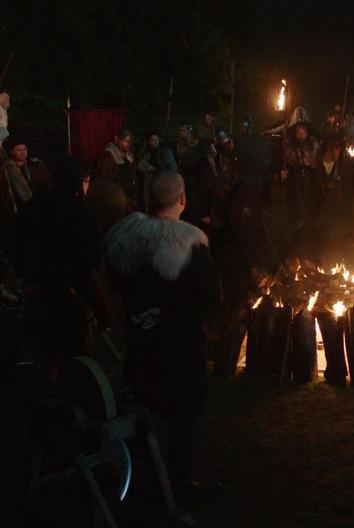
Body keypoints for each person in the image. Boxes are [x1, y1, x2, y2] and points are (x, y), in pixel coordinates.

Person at [103, 171, 222, 500]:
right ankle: (178, 483)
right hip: (179, 346)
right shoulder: (189, 242)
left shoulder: (125, 235)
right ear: (182, 199)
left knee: (140, 407)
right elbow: (213, 294)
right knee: (182, 415)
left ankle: (128, 473)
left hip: (141, 342)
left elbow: (114, 284)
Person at [13, 158, 111, 383]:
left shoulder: (31, 207)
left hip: (41, 291)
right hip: (68, 294)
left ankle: (55, 389)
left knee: (50, 350)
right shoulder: (76, 212)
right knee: (76, 358)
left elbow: (15, 246)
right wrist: (100, 307)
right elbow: (88, 259)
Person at [281, 123, 324, 236]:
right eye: (298, 133)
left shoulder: (313, 143)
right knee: (294, 198)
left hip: (311, 175)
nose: (300, 135)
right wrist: (286, 147)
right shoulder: (292, 143)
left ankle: (311, 220)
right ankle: (297, 222)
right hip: (296, 175)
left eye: (303, 133)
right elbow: (290, 159)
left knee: (312, 198)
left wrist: (305, 158)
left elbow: (313, 160)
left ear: (307, 133)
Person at [3, 139, 52, 213]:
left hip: (39, 199)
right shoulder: (8, 168)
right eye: (19, 150)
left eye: (25, 149)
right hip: (20, 205)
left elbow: (46, 181)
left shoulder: (35, 164)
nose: (23, 153)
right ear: (11, 152)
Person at [95, 129, 138, 209]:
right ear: (116, 139)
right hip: (115, 198)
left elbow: (133, 177)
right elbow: (104, 180)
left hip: (129, 197)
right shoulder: (108, 157)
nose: (128, 144)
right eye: (125, 141)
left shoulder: (130, 156)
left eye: (130, 141)